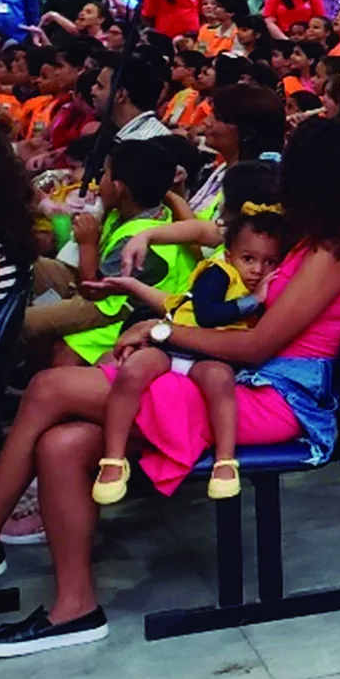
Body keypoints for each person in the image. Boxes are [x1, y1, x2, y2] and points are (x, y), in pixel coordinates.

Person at [0, 118, 340, 656]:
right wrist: (153, 290)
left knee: (50, 388)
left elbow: (260, 344)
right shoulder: (307, 239)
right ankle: (73, 608)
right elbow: (215, 241)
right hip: (242, 385)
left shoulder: (333, 251)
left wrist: (167, 332)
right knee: (62, 444)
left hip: (275, 401)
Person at [87, 197, 287, 506]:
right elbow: (207, 315)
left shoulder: (264, 287)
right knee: (133, 372)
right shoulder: (217, 274)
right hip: (175, 344)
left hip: (210, 357)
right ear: (230, 254)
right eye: (249, 259)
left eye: (269, 262)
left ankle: (225, 461)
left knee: (220, 383)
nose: (258, 270)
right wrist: (254, 301)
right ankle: (113, 459)